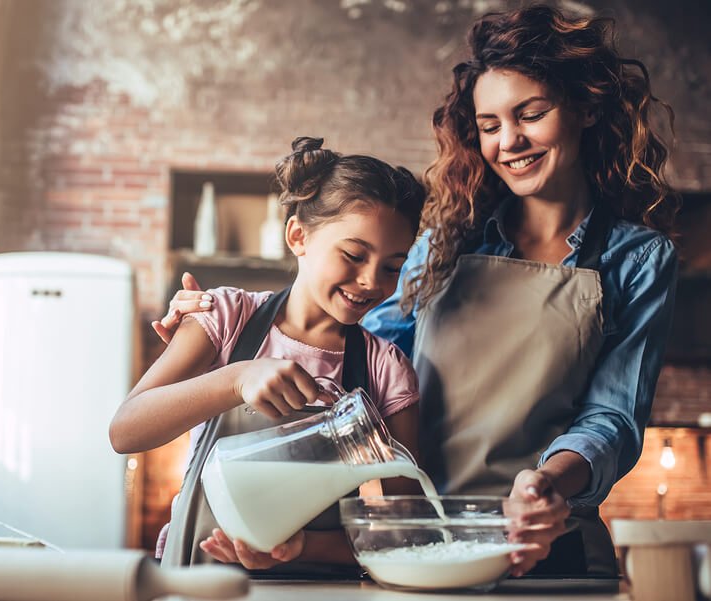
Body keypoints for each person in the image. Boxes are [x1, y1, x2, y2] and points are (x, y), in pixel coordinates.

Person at [154, 5, 679, 578]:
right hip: (426, 548)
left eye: (532, 114)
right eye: (489, 125)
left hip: (548, 549)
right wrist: (233, 326)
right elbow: (349, 359)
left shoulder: (637, 260)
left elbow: (613, 416)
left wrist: (547, 484)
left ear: (581, 109)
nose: (510, 140)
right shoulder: (443, 245)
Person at [110, 136, 427, 573]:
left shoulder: (385, 370)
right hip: (199, 575)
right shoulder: (226, 317)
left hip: (316, 582)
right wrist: (237, 378)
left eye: (392, 266)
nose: (372, 281)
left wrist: (301, 549)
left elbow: (401, 529)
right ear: (298, 235)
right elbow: (125, 432)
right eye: (354, 254)